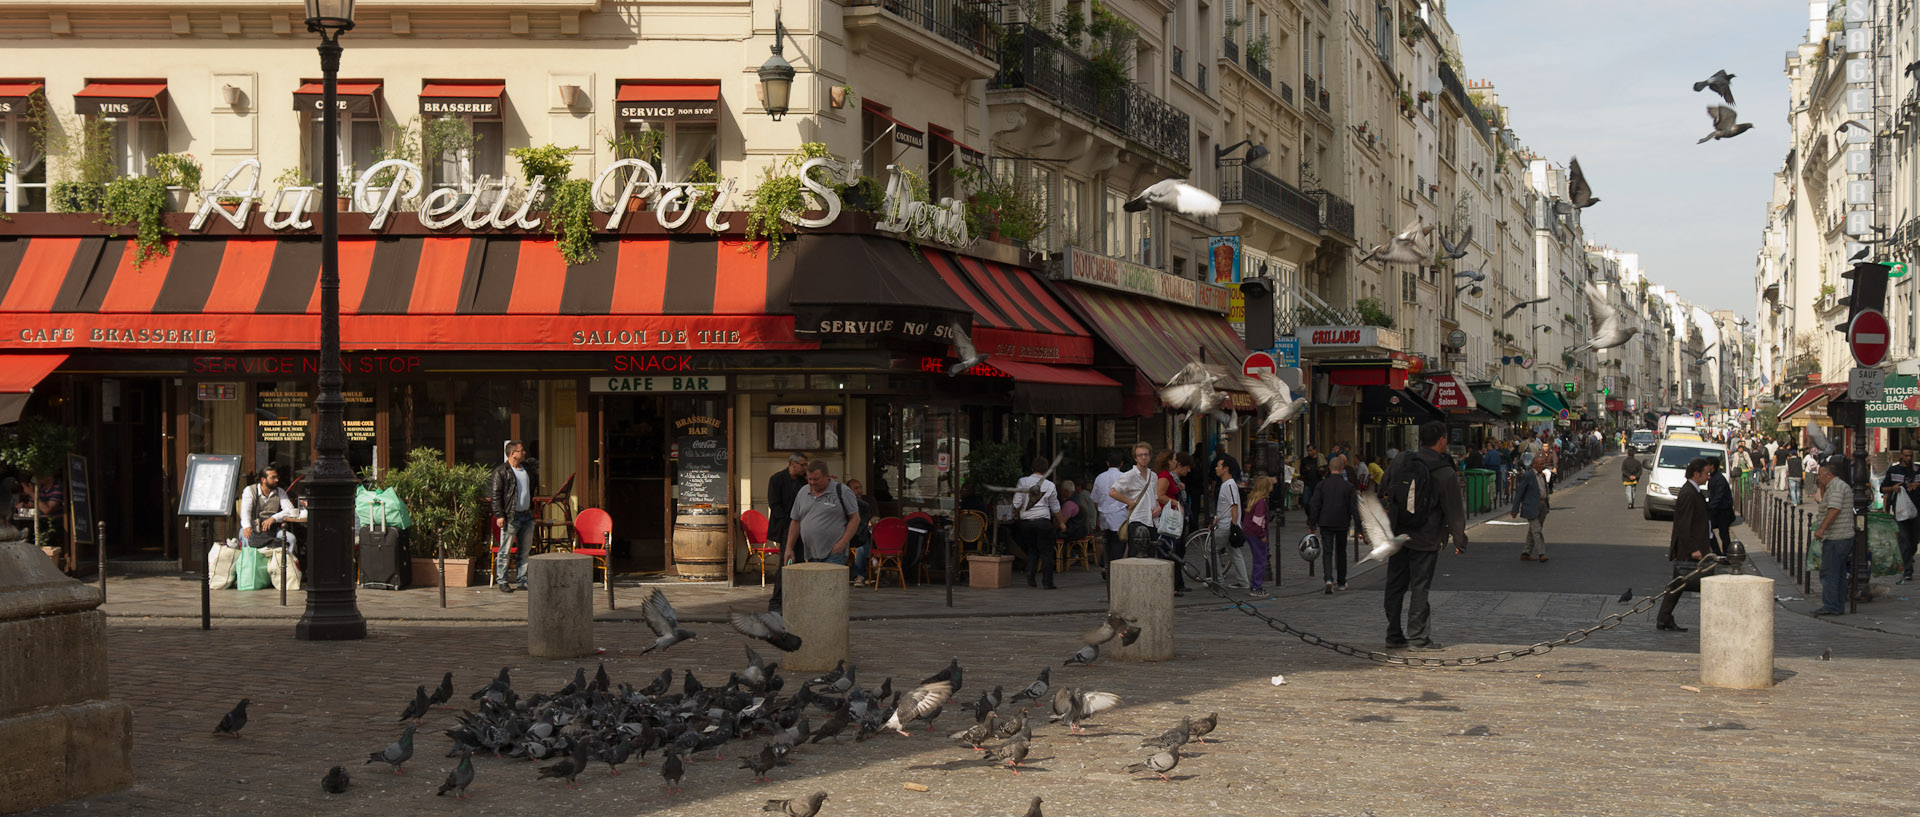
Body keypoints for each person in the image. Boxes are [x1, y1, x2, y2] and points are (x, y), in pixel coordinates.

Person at [1381, 421, 1468, 650]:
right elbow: (1454, 510)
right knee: (1419, 587)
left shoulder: (1402, 461)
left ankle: (1393, 634)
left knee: (1395, 586)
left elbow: (1383, 488)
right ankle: (1418, 636)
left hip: (1398, 535)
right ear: (1441, 440)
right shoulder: (1445, 472)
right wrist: (1460, 539)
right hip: (1426, 537)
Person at [1110, 442, 1176, 593]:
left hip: (1152, 520)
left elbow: (1154, 496)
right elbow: (1113, 492)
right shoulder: (1130, 475)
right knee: (1135, 554)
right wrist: (1129, 501)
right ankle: (1133, 588)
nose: (1143, 458)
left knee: (1151, 554)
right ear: (1135, 458)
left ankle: (1148, 587)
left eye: (1146, 455)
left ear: (1150, 456)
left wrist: (1158, 507)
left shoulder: (1153, 476)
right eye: (1140, 455)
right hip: (1137, 519)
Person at [1659, 457, 1715, 631]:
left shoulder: (1694, 491)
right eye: (1706, 474)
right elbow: (1684, 525)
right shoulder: (1688, 493)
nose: (1708, 477)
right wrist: (1694, 549)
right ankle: (1664, 617)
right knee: (1681, 584)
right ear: (1696, 474)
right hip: (1690, 549)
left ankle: (1664, 617)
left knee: (1679, 585)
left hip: (1696, 547)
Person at [785, 460, 860, 568]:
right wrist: (789, 548)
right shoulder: (803, 492)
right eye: (809, 479)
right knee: (815, 584)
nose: (811, 482)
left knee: (830, 584)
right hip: (810, 553)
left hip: (834, 553)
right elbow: (795, 521)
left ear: (827, 476)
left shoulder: (842, 491)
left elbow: (855, 519)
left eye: (815, 479)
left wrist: (843, 543)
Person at [487, 441, 541, 592]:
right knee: (505, 550)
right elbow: (496, 495)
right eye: (521, 451)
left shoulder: (527, 469)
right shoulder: (501, 471)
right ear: (512, 453)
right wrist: (499, 515)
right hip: (511, 516)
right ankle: (502, 580)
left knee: (524, 551)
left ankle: (522, 580)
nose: (524, 453)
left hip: (526, 515)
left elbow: (532, 487)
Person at [1306, 454, 1359, 594]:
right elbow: (1354, 508)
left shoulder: (1322, 485)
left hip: (1326, 522)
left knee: (1327, 552)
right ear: (1342, 469)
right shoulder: (1348, 486)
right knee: (1341, 552)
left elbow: (1315, 505)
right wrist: (1358, 526)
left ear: (1329, 468)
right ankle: (1341, 582)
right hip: (1342, 522)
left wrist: (1312, 525)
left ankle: (1328, 579)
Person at [1012, 456, 1064, 590]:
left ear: (1032, 468)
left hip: (1026, 522)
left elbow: (1016, 503)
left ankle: (1030, 571)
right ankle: (1047, 582)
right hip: (1043, 522)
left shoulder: (1022, 482)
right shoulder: (1050, 485)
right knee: (1046, 551)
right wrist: (1062, 523)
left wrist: (1017, 514)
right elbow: (1055, 508)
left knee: (1032, 549)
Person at [764, 453, 808, 610]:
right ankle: (777, 602)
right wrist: (789, 523)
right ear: (792, 464)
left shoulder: (804, 481)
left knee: (801, 562)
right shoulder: (777, 479)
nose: (805, 468)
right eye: (802, 465)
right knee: (786, 562)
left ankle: (796, 599)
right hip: (785, 527)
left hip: (802, 527)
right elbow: (774, 505)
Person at [1812, 459, 1854, 617]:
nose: (1818, 478)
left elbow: (1834, 509)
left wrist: (1822, 529)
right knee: (1839, 572)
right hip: (1841, 537)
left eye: (1820, 475)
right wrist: (1822, 487)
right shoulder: (1833, 486)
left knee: (1830, 572)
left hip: (1837, 537)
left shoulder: (1836, 487)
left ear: (1828, 475)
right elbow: (1823, 503)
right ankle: (1837, 604)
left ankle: (1831, 605)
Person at [1155, 451, 1195, 593]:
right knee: (1169, 549)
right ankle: (1170, 584)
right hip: (1168, 517)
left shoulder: (1169, 476)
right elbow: (1159, 495)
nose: (1175, 462)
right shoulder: (1165, 475)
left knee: (1176, 549)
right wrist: (1175, 503)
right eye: (1174, 459)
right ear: (1169, 461)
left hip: (1174, 516)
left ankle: (1177, 583)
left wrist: (1178, 489)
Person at [239, 464, 300, 549]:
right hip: (254, 528)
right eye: (273, 477)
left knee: (291, 539)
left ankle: (284, 562)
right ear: (263, 479)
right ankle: (249, 561)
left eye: (277, 477)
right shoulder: (250, 490)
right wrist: (247, 527)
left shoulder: (280, 492)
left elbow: (290, 510)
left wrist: (274, 518)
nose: (277, 480)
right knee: (246, 536)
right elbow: (245, 512)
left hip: (271, 530)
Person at [1882, 448, 1920, 585]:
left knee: (1914, 540)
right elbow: (1883, 488)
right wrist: (1893, 489)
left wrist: (1917, 484)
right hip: (1900, 511)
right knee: (1904, 540)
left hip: (1917, 510)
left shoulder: (1918, 469)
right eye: (1906, 456)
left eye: (1911, 455)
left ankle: (1909, 554)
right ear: (1901, 456)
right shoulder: (1893, 471)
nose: (1909, 458)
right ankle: (1908, 570)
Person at [1210, 455, 1246, 588]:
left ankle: (1218, 580)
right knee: (1234, 553)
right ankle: (1243, 581)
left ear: (1226, 469)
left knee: (1211, 549)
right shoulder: (1227, 484)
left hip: (1227, 525)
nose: (1216, 468)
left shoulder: (1229, 485)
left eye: (1218, 466)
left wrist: (1234, 526)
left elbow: (1234, 505)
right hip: (1226, 523)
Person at [1092, 451, 1127, 580]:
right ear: (1121, 464)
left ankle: (1104, 565)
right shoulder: (1124, 477)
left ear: (1107, 463)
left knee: (1107, 541)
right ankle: (1113, 569)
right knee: (1118, 543)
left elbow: (1095, 499)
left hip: (1104, 514)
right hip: (1119, 515)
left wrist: (1099, 513)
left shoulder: (1099, 477)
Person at [1510, 452, 1550, 562]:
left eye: (1543, 464)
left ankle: (1526, 552)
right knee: (1537, 530)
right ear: (1534, 464)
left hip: (1542, 505)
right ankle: (1542, 553)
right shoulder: (1528, 476)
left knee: (1534, 529)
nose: (1542, 466)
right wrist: (1515, 509)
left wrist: (1547, 504)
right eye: (1540, 464)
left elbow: (1545, 490)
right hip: (1531, 507)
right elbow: (1519, 493)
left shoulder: (1542, 475)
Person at [1244, 475, 1274, 597]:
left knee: (1258, 558)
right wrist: (1262, 534)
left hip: (1249, 531)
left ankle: (1255, 585)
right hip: (1256, 533)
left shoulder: (1254, 499)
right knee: (1260, 559)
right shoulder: (1261, 502)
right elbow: (1258, 521)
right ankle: (1256, 587)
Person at [845, 478, 876, 587]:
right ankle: (872, 560)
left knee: (861, 544)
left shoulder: (868, 501)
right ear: (848, 490)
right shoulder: (845, 501)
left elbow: (876, 518)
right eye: (856, 488)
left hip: (864, 534)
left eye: (860, 487)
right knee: (861, 542)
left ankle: (859, 575)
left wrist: (870, 522)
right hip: (847, 534)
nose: (859, 491)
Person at [1704, 458, 1734, 553]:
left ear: (1712, 466)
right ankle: (1718, 553)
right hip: (1717, 510)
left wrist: (1708, 507)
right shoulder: (1714, 477)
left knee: (1723, 534)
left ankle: (1726, 555)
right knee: (1708, 529)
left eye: (1707, 465)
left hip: (1723, 511)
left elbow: (1718, 497)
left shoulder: (1718, 479)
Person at [1299, 445, 1325, 509]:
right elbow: (1301, 472)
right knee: (1305, 501)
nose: (1309, 452)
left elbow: (1325, 471)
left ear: (1315, 450)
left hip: (1318, 483)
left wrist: (1321, 471)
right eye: (1308, 451)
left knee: (1317, 502)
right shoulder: (1305, 460)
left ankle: (1315, 517)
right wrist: (1305, 470)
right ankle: (1309, 516)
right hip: (1308, 483)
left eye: (1311, 450)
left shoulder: (1320, 460)